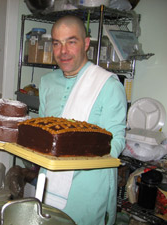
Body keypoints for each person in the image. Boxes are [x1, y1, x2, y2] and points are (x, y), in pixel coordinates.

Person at [38, 15, 127, 225]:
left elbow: (116, 142)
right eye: (57, 43)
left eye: (71, 41)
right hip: (47, 184)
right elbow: (43, 132)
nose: (63, 52)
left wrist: (75, 154)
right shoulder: (46, 82)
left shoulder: (108, 86)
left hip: (87, 192)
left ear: (86, 43)